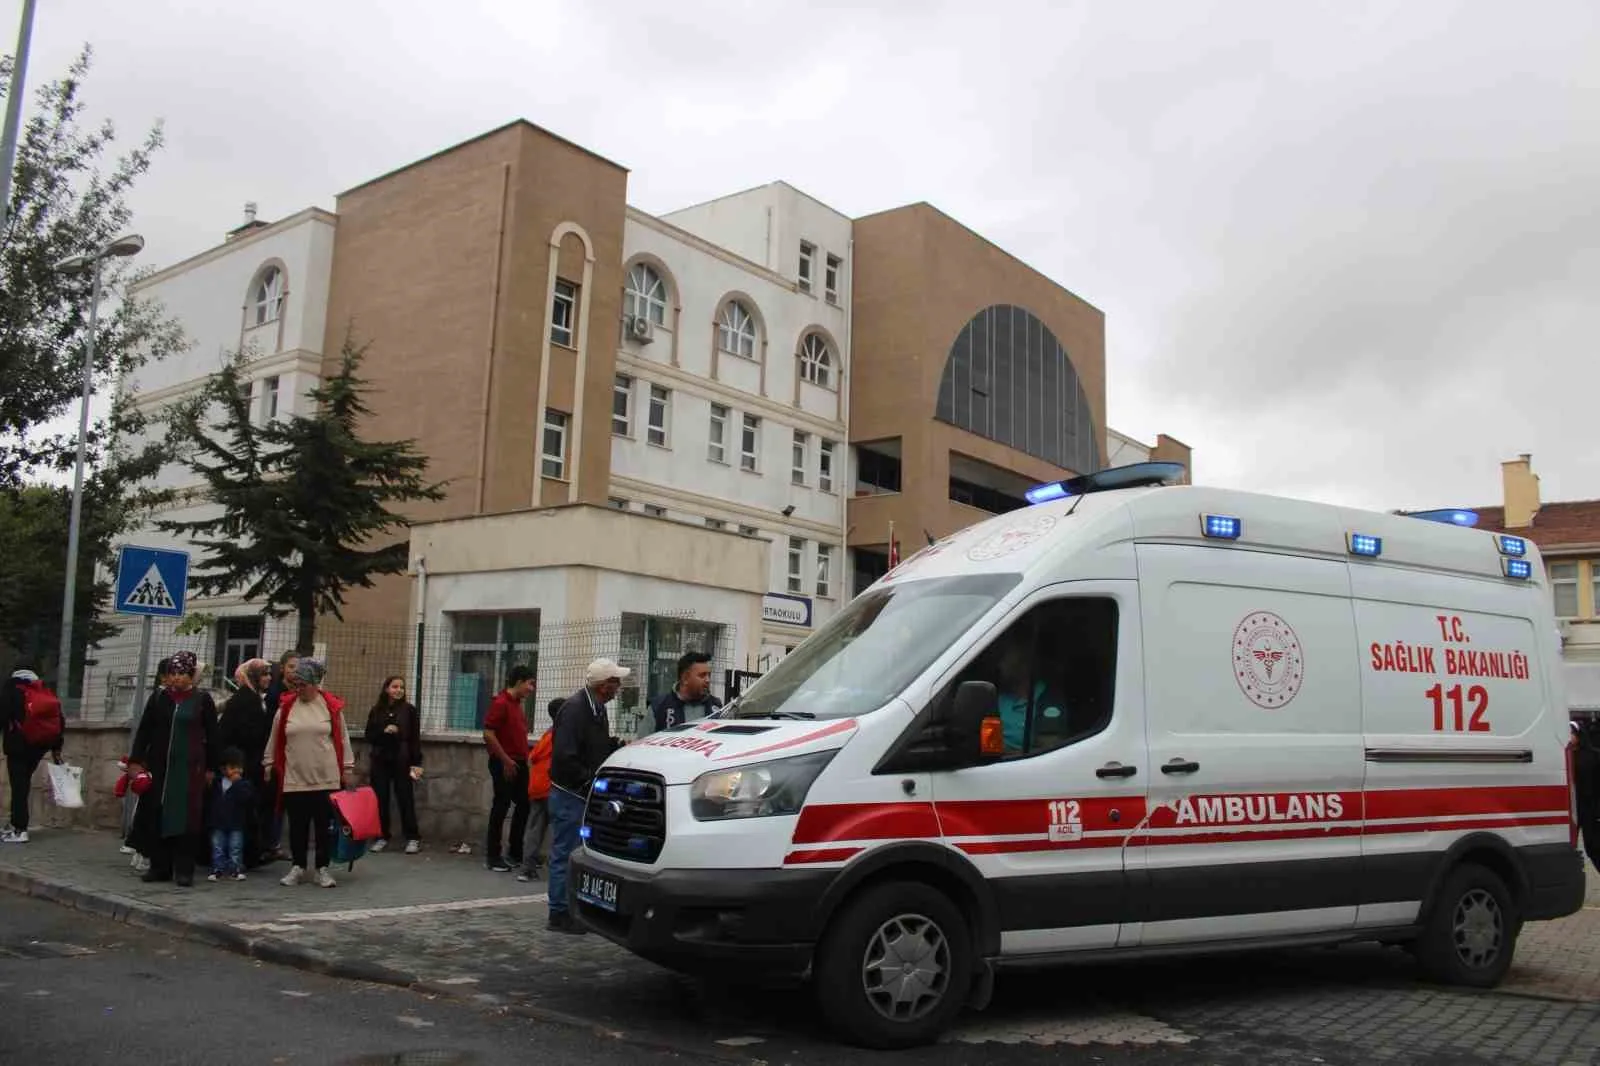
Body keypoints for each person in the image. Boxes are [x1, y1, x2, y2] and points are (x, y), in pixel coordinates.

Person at [547, 658, 630, 934]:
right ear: (604, 685)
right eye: (616, 682)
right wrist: (588, 780)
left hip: (581, 793)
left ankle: (572, 908)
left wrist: (615, 746)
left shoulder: (596, 709)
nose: (619, 687)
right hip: (570, 793)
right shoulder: (575, 710)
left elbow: (593, 746)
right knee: (565, 853)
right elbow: (564, 756)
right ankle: (559, 912)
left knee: (577, 852)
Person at [127, 651, 220, 886]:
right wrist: (136, 760)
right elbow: (145, 730)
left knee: (186, 818)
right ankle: (160, 867)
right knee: (157, 814)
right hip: (159, 768)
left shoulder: (202, 700)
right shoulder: (159, 698)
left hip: (189, 770)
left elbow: (213, 736)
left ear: (191, 675)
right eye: (173, 673)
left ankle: (184, 870)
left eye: (182, 673)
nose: (176, 678)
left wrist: (211, 768)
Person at [264, 657, 353, 888]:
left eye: (303, 684)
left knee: (323, 827)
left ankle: (322, 869)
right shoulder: (286, 707)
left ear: (315, 683)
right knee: (297, 825)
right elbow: (274, 737)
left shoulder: (330, 706)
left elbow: (343, 738)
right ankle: (298, 866)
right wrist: (268, 764)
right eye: (296, 684)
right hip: (295, 777)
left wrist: (347, 767)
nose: (298, 689)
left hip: (325, 777)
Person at [2, 669, 65, 845]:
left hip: (18, 747)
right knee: (23, 784)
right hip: (39, 746)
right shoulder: (44, 692)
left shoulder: (12, 690)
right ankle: (15, 824)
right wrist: (56, 749)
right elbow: (59, 721)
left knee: (19, 787)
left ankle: (20, 829)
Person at [483, 665, 534, 873]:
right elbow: (488, 734)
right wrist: (505, 760)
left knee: (524, 804)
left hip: (519, 762)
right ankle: (493, 856)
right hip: (504, 762)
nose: (531, 688)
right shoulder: (501, 703)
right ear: (519, 682)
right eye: (530, 684)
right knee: (501, 806)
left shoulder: (517, 705)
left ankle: (515, 852)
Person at [220, 658, 271, 867]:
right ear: (253, 677)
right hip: (244, 764)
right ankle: (244, 856)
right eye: (264, 674)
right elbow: (243, 734)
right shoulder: (246, 700)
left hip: (248, 762)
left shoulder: (252, 697)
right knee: (244, 811)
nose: (268, 678)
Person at [364, 675, 422, 854]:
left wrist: (416, 762)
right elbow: (369, 735)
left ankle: (412, 837)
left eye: (401, 687)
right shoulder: (376, 710)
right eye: (395, 687)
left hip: (402, 759)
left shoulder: (409, 710)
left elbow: (414, 739)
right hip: (380, 759)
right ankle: (381, 836)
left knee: (405, 797)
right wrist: (384, 731)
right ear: (386, 689)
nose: (399, 690)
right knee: (380, 798)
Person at [515, 699, 561, 884]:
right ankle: (558, 869)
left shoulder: (548, 734)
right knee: (560, 830)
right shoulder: (561, 734)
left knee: (535, 829)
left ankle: (527, 868)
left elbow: (534, 756)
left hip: (537, 786)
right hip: (553, 786)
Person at [207, 747, 256, 882]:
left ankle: (235, 869)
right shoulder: (217, 783)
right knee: (218, 847)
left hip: (236, 822)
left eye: (239, 768)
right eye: (232, 767)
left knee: (235, 847)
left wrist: (238, 783)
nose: (236, 771)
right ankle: (218, 869)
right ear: (223, 769)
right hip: (218, 822)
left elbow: (246, 798)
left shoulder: (244, 784)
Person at [649, 651, 722, 733]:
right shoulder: (659, 706)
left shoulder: (716, 707)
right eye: (702, 675)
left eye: (709, 675)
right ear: (685, 678)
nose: (708, 680)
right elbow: (643, 740)